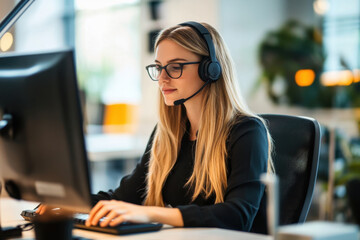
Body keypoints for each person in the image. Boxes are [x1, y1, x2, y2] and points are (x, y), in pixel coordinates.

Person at [37, 21, 273, 232]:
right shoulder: (168, 135)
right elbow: (124, 198)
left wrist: (149, 213)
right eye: (159, 67)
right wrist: (69, 203)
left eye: (175, 66)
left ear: (210, 70)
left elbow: (238, 216)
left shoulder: (247, 131)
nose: (162, 79)